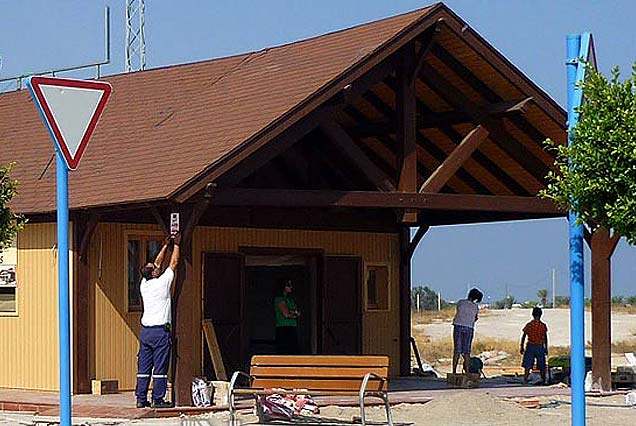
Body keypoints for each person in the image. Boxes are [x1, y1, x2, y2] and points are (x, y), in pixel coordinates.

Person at [135, 233, 180, 409]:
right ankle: (158, 399)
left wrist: (164, 246)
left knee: (144, 368)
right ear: (153, 272)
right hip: (160, 331)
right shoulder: (162, 284)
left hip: (145, 332)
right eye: (154, 267)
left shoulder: (143, 285)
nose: (157, 266)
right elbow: (173, 264)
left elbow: (158, 263)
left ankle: (141, 398)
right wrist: (176, 244)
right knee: (160, 368)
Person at [452, 288, 483, 375]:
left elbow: (458, 312)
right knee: (467, 351)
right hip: (469, 327)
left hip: (458, 325)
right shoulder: (475, 307)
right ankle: (468, 371)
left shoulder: (461, 302)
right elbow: (475, 318)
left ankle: (454, 371)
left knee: (457, 350)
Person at [520, 306, 549, 384]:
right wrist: (546, 348)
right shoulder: (543, 325)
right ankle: (543, 379)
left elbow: (524, 336)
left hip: (530, 345)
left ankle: (525, 379)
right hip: (540, 346)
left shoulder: (529, 325)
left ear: (532, 314)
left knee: (528, 364)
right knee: (542, 364)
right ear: (541, 315)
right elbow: (545, 337)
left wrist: (521, 346)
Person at [274, 279, 301, 355]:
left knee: (294, 350)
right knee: (285, 350)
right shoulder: (279, 299)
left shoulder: (290, 299)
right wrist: (293, 314)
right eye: (288, 285)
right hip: (283, 327)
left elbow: (295, 312)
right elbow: (286, 314)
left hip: (292, 326)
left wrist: (293, 313)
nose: (291, 287)